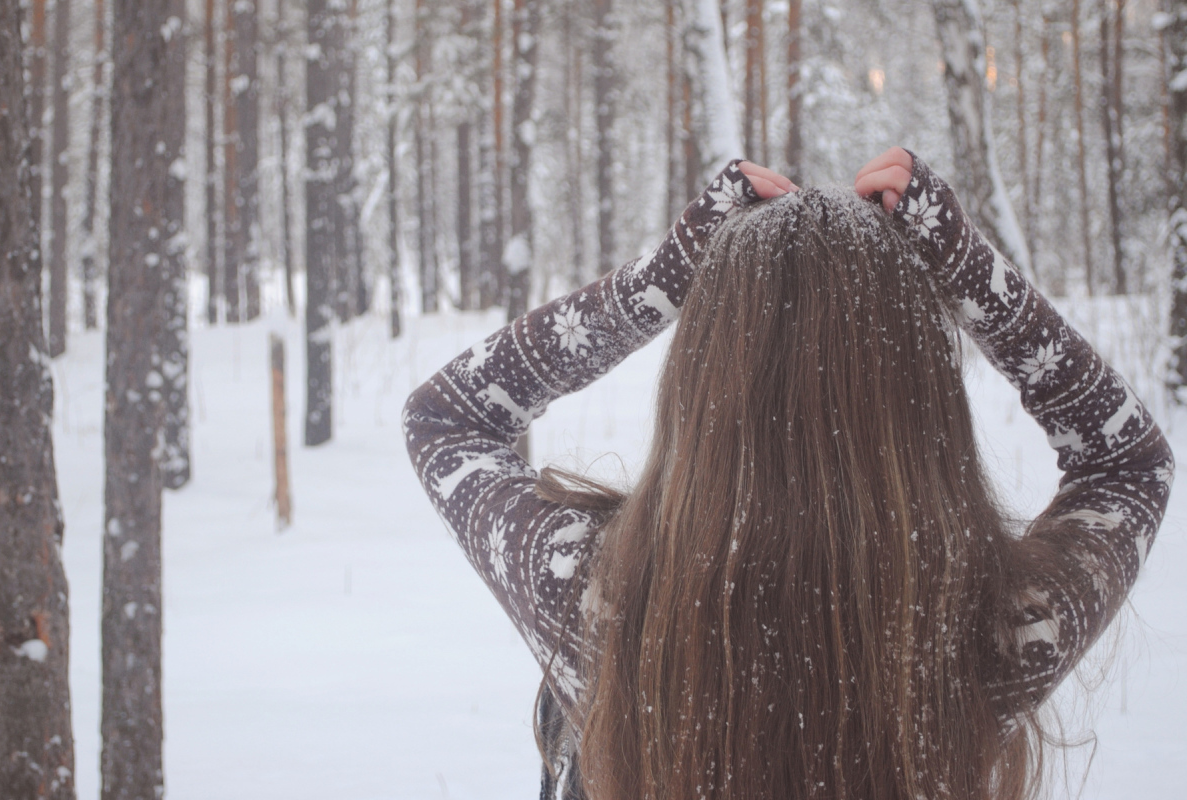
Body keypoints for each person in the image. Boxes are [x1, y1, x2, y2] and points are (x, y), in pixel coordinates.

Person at [401, 147, 1173, 800]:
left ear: (702, 390)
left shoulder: (602, 604)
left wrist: (658, 282)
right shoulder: (983, 635)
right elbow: (1128, 464)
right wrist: (968, 270)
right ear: (923, 409)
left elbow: (447, 420)